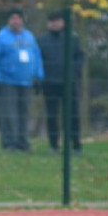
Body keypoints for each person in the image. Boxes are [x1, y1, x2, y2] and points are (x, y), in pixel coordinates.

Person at [0, 8, 43, 152]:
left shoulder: (29, 37)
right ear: (8, 20)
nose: (16, 21)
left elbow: (37, 56)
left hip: (26, 82)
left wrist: (39, 76)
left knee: (25, 113)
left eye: (18, 18)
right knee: (9, 114)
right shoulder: (1, 37)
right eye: (13, 18)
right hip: (7, 82)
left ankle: (23, 142)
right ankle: (10, 143)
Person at [38, 11, 83, 154]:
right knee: (52, 115)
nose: (55, 24)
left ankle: (75, 144)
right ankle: (53, 145)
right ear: (48, 23)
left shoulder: (72, 39)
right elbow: (38, 60)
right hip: (50, 83)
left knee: (72, 115)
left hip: (69, 83)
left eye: (58, 21)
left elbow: (79, 57)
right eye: (52, 21)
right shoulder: (41, 40)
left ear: (63, 22)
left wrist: (74, 71)